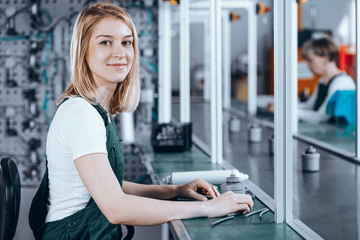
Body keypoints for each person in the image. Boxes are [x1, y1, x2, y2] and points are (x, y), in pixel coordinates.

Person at [28, 2, 253, 240]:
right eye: (105, 42)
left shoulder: (95, 110)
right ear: (83, 51)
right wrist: (208, 208)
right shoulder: (80, 114)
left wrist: (175, 191)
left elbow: (107, 186)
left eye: (126, 42)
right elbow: (116, 208)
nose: (119, 52)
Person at [267, 37, 355, 124]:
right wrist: (282, 106)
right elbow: (309, 107)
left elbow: (321, 117)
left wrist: (285, 111)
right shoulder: (323, 80)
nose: (308, 65)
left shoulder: (342, 82)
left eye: (310, 61)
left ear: (326, 57)